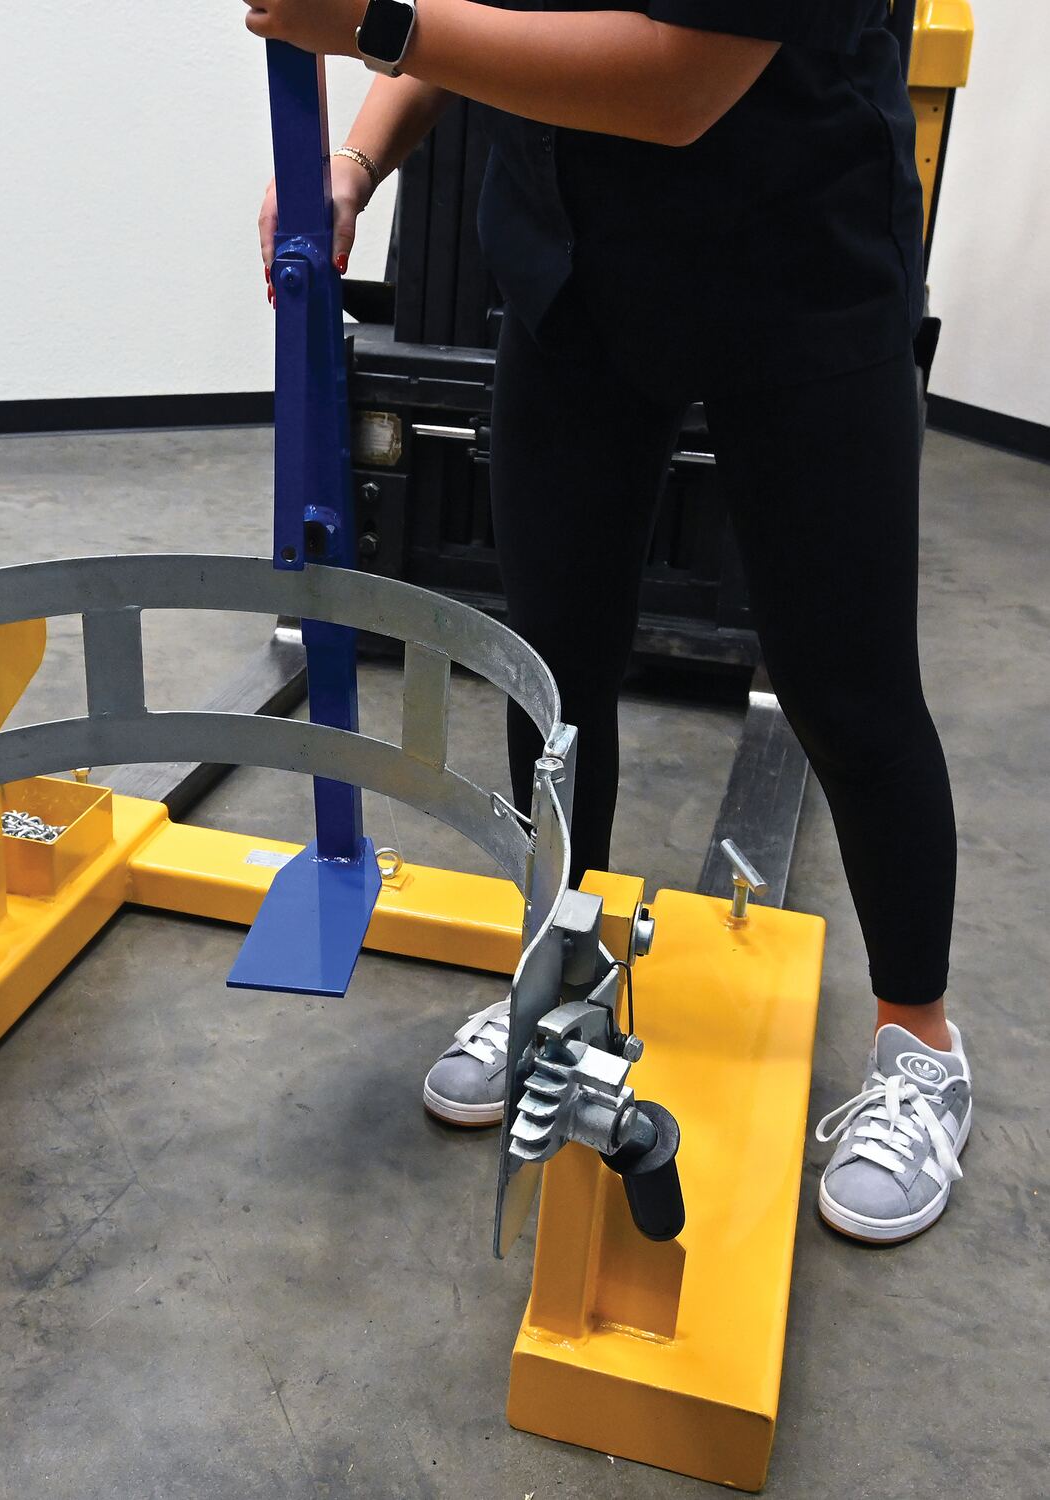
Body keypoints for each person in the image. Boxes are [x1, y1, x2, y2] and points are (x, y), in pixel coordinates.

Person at [247, 0, 969, 1244]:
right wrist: (357, 156)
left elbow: (679, 84)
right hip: (575, 273)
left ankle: (921, 1045)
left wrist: (374, 22)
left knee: (844, 685)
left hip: (799, 267)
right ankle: (561, 976)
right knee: (555, 664)